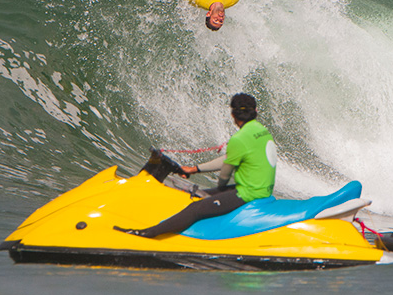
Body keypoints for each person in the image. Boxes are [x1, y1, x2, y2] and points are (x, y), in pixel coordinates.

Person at [114, 93, 277, 238]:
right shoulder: (262, 131)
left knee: (196, 208)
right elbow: (228, 158)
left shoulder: (239, 138)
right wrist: (194, 169)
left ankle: (148, 233)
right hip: (260, 189)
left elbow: (224, 176)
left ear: (233, 115)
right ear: (255, 112)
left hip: (250, 194)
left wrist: (219, 191)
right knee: (197, 194)